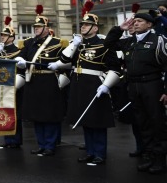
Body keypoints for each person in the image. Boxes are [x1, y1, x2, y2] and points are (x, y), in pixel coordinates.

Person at [50, 11, 121, 165]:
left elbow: (115, 68)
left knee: (98, 120)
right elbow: (64, 59)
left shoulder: (104, 44)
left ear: (95, 28)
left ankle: (99, 153)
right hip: (78, 84)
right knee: (85, 119)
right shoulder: (78, 43)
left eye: (87, 25)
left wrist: (106, 85)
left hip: (95, 84)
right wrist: (74, 44)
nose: (83, 27)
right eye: (82, 24)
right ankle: (90, 151)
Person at [104, 12, 167, 174]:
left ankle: (160, 159)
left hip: (152, 85)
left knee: (156, 122)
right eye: (135, 21)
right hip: (134, 85)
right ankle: (148, 156)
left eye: (140, 21)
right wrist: (120, 28)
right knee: (142, 122)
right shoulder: (129, 41)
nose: (136, 23)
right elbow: (108, 43)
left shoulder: (158, 40)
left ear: (149, 24)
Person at [15, 6, 65, 157]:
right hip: (33, 81)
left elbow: (66, 61)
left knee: (49, 115)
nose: (36, 29)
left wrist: (58, 65)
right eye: (35, 27)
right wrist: (19, 61)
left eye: (39, 27)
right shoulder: (29, 43)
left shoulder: (58, 42)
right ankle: (41, 144)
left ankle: (50, 144)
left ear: (46, 28)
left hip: (49, 81)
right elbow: (20, 56)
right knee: (36, 115)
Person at [0, 17, 24, 149]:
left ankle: (15, 140)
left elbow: (22, 70)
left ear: (12, 37)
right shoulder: (1, 51)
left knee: (15, 114)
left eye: (5, 35)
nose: (3, 37)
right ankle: (7, 139)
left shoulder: (18, 51)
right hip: (2, 86)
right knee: (4, 112)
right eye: (2, 35)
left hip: (15, 85)